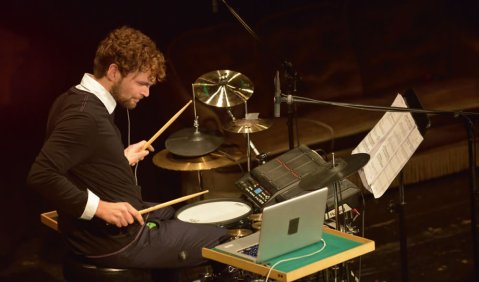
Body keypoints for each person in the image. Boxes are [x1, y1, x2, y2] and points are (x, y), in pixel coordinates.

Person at [27, 26, 228, 273]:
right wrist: (101, 208)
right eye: (142, 83)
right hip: (116, 241)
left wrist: (119, 159)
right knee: (223, 240)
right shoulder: (84, 117)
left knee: (171, 212)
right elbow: (42, 174)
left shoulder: (73, 99)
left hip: (102, 234)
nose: (146, 93)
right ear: (114, 71)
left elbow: (79, 165)